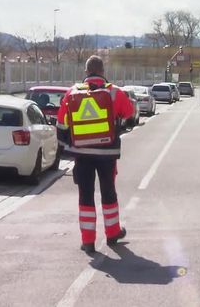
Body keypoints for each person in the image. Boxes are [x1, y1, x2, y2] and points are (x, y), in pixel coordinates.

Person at [57, 55, 134, 254]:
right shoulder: (115, 92)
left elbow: (61, 125)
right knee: (109, 193)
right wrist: (117, 128)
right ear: (102, 71)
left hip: (82, 154)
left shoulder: (71, 93)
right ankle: (112, 233)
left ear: (86, 72)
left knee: (85, 196)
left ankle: (88, 241)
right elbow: (130, 116)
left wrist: (68, 145)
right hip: (107, 154)